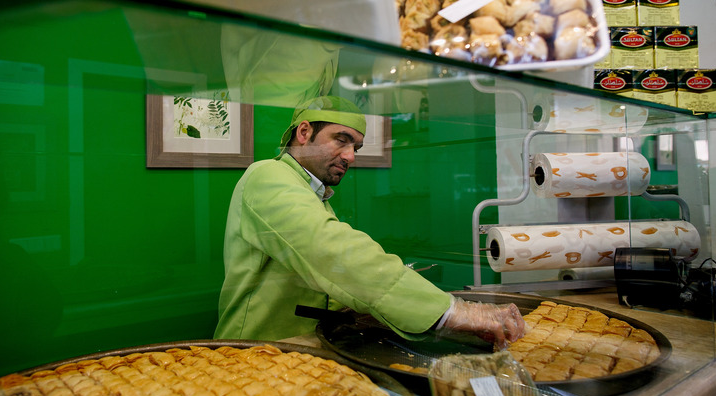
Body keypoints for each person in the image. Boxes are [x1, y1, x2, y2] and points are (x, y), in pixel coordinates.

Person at [214, 96, 525, 347]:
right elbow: (332, 251)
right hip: (258, 350)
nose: (350, 156)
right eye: (341, 140)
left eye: (356, 147)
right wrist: (453, 311)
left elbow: (322, 275)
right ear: (304, 132)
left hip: (300, 346)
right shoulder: (267, 175)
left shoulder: (311, 191)